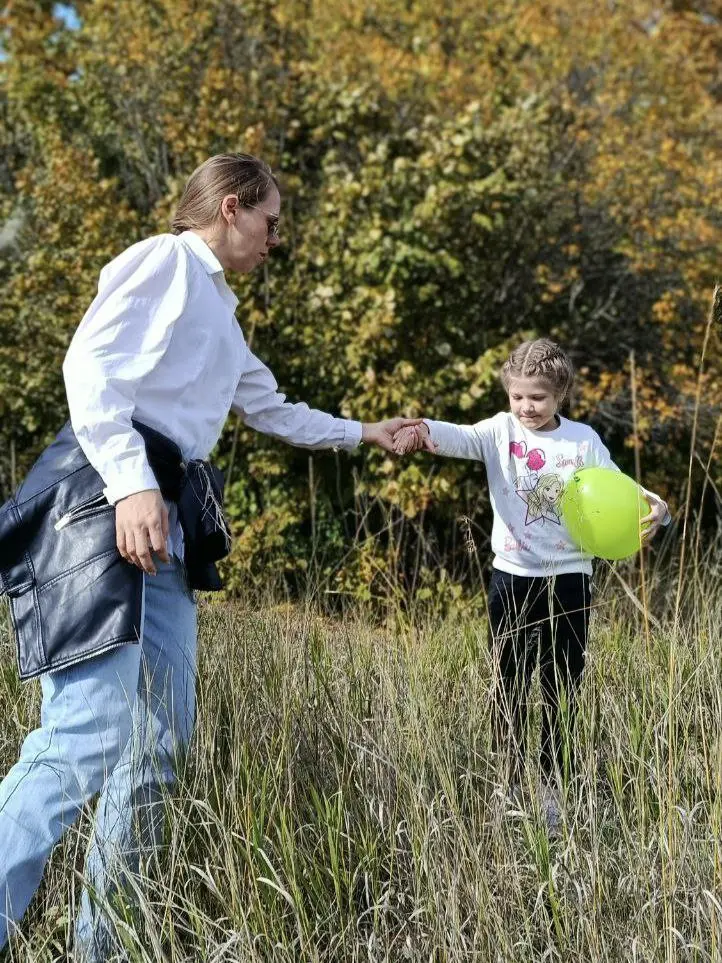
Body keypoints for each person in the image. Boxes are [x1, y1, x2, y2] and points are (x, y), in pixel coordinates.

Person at [0, 152, 421, 958]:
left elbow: (272, 409)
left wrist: (367, 432)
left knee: (159, 747)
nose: (275, 239)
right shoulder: (165, 260)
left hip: (168, 525)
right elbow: (88, 367)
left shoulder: (221, 317)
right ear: (231, 207)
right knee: (87, 732)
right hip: (105, 502)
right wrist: (130, 484)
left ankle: (101, 948)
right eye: (270, 221)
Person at [392, 338, 670, 832]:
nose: (526, 407)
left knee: (562, 685)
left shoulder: (582, 441)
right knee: (511, 684)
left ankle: (554, 789)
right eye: (517, 396)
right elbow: (460, 437)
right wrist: (422, 430)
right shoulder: (500, 431)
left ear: (560, 394)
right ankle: (511, 784)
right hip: (512, 579)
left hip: (570, 580)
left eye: (538, 397)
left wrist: (654, 503)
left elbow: (617, 484)